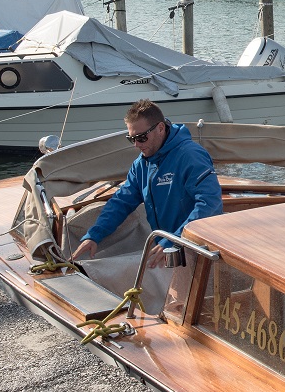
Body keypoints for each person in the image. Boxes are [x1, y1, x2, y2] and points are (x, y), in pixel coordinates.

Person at [70, 100, 223, 309]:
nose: (136, 145)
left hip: (196, 249)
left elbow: (209, 204)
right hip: (169, 248)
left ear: (160, 128)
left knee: (186, 307)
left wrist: (176, 240)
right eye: (131, 138)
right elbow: (122, 202)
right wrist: (94, 235)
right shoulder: (141, 164)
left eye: (141, 137)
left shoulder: (190, 156)